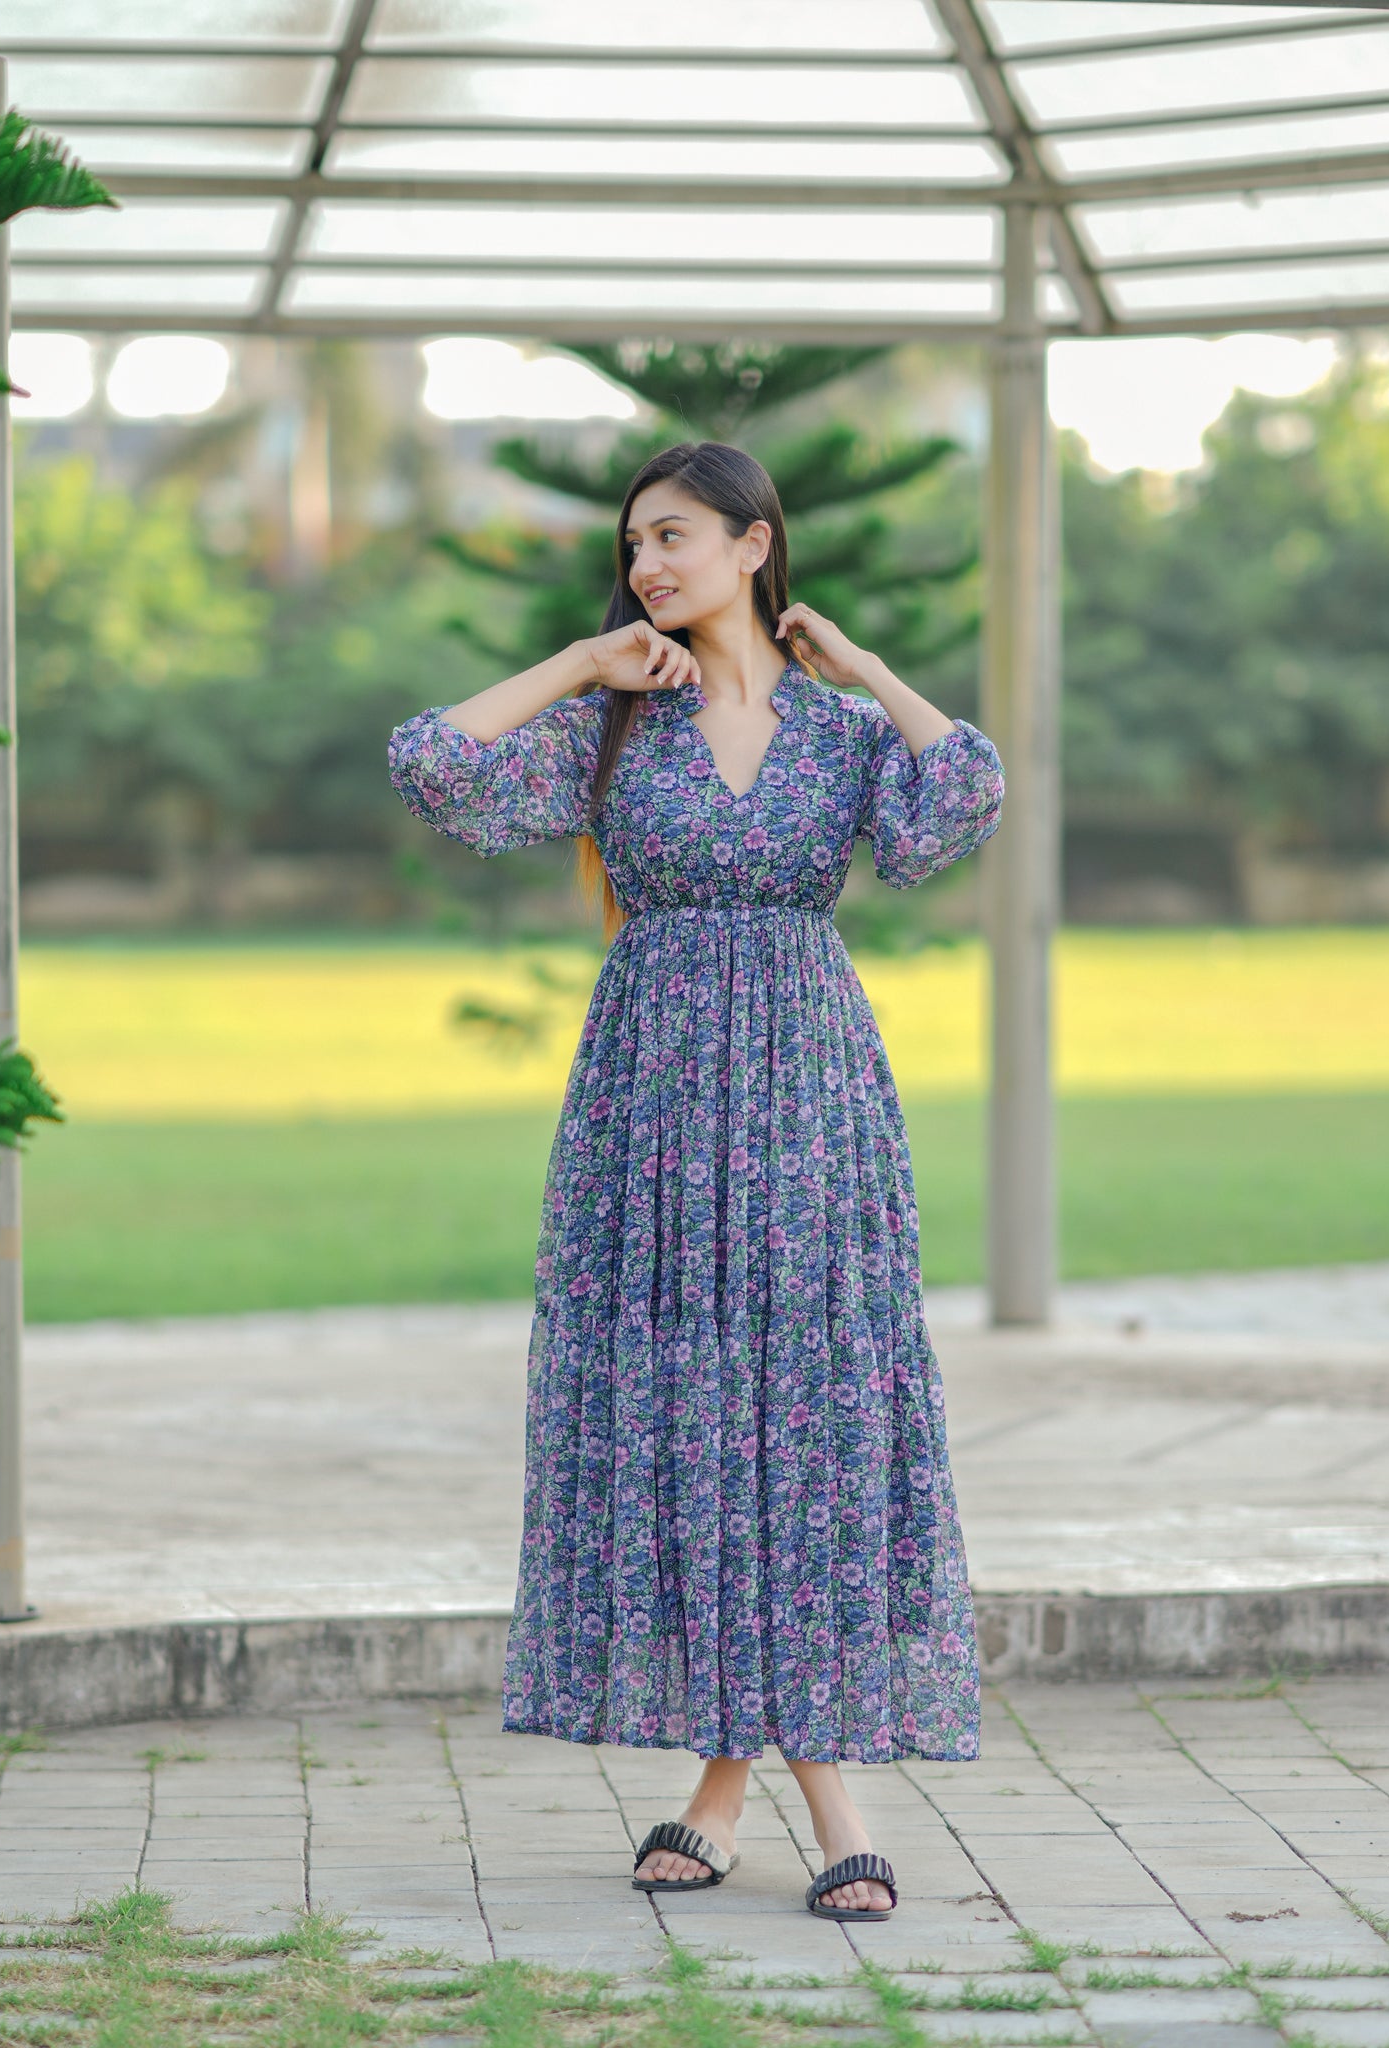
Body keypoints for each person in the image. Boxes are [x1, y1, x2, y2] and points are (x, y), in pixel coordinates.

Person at [388, 440, 1003, 1923]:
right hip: (650, 1119)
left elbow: (961, 796)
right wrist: (577, 660)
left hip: (806, 1110)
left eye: (673, 537)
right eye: (632, 543)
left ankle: (767, 1798)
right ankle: (774, 1801)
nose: (649, 564)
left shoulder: (845, 734)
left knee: (806, 1424)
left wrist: (857, 661)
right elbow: (433, 763)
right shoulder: (618, 721)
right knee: (696, 1425)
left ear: (753, 544)